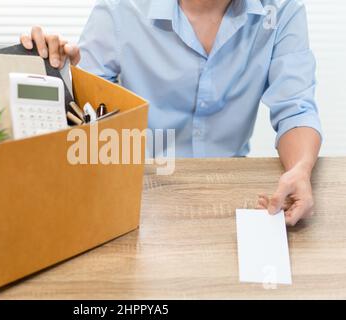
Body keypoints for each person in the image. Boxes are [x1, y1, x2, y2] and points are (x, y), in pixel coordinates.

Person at [20, 0, 322, 226]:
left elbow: (295, 108)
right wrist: (61, 73)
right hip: (140, 189)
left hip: (231, 193)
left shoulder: (281, 9)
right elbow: (85, 112)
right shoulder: (121, 9)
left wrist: (301, 170)